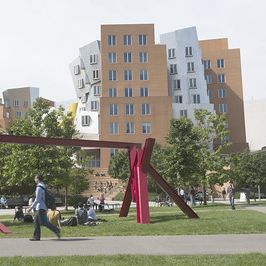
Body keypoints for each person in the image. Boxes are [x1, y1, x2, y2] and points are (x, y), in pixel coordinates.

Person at [27, 174, 61, 241]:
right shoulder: (44, 186)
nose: (34, 180)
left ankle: (37, 237)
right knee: (40, 222)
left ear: (37, 179)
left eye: (35, 178)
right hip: (44, 207)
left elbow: (37, 199)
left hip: (40, 207)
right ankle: (55, 230)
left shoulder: (39, 187)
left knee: (39, 222)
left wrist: (31, 207)